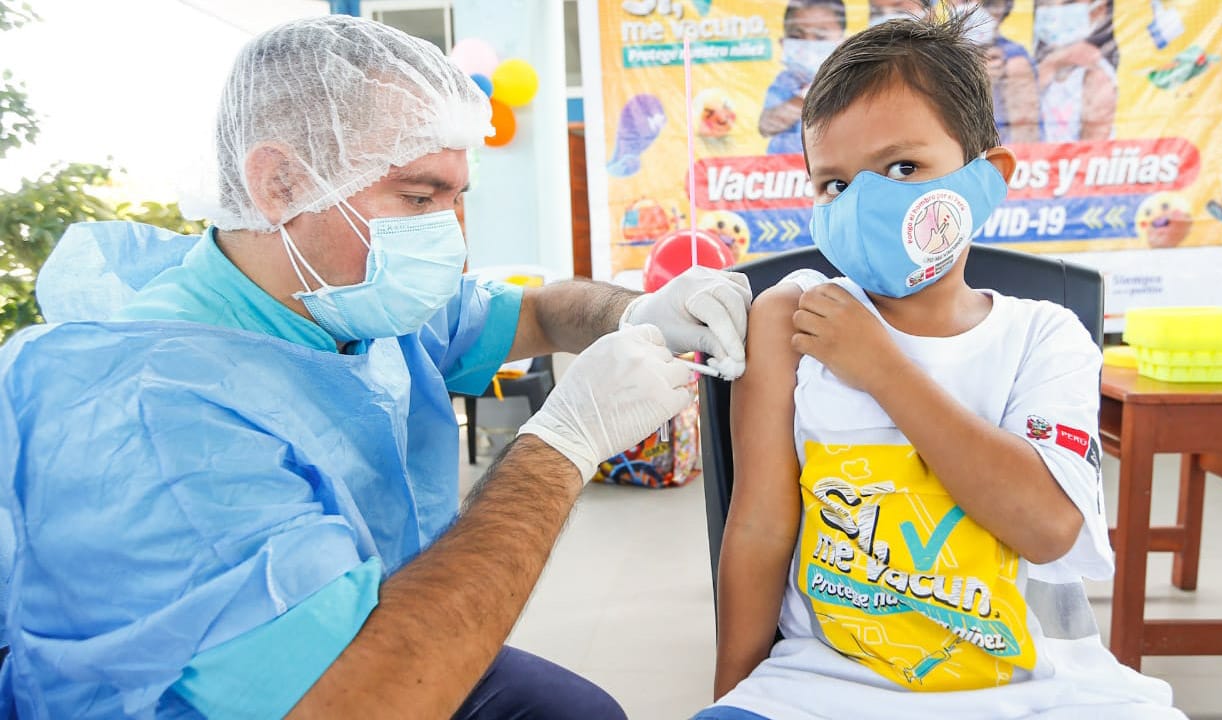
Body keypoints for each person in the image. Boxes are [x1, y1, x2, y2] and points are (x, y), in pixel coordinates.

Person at [0, 16, 753, 719]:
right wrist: (560, 446)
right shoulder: (152, 412)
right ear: (280, 184)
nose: (450, 237)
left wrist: (636, 311)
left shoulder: (349, 297)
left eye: (457, 198)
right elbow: (356, 700)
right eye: (419, 195)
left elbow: (539, 310)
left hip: (379, 617)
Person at [695, 15, 1184, 720]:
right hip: (825, 685)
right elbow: (760, 529)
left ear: (988, 179)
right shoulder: (791, 319)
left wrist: (882, 368)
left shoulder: (1046, 336)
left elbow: (1045, 526)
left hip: (1032, 689)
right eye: (833, 184)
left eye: (902, 168)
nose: (863, 204)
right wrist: (735, 696)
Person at [758, 0, 847, 155]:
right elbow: (767, 126)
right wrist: (807, 94)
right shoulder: (786, 82)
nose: (808, 44)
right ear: (783, 43)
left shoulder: (851, 81)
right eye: (796, 36)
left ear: (843, 44)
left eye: (820, 37)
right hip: (785, 172)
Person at [1033, 0, 1118, 142]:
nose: (1054, 10)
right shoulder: (1036, 68)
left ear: (1099, 9)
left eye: (1068, 2)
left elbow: (1091, 150)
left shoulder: (1096, 75)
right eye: (1046, 4)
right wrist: (1054, 63)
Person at [970, 0, 1042, 144]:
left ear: (1003, 9)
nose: (974, 9)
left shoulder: (1015, 59)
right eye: (966, 1)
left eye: (988, 4)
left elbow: (1025, 133)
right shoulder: (936, 52)